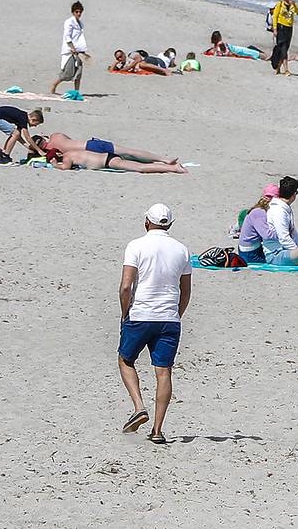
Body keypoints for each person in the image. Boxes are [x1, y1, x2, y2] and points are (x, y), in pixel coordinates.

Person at [119, 203, 192, 444]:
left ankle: (139, 406)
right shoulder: (182, 250)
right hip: (169, 318)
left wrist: (124, 312)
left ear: (146, 222)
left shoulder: (136, 245)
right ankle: (158, 430)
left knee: (126, 359)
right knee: (163, 372)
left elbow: (126, 286)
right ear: (170, 224)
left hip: (141, 314)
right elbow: (186, 291)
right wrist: (176, 314)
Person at [41, 130, 186, 173]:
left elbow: (65, 166)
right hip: (91, 144)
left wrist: (53, 163)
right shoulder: (56, 135)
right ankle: (164, 159)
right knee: (130, 152)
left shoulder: (62, 154)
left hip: (98, 157)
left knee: (136, 166)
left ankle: (169, 166)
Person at [51, 1, 89, 94]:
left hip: (80, 50)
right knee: (68, 73)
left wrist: (82, 51)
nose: (79, 14)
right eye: (77, 12)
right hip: (70, 50)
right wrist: (72, 47)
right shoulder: (69, 22)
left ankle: (76, 92)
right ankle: (54, 85)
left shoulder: (80, 23)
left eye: (80, 12)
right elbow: (67, 36)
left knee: (79, 73)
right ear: (73, 12)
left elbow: (79, 37)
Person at [236, 184, 279, 263]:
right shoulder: (260, 212)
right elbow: (267, 235)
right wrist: (283, 234)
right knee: (275, 260)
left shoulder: (259, 209)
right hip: (249, 253)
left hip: (250, 248)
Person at [269, 0, 298, 75]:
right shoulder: (280, 4)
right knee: (282, 48)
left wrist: (294, 5)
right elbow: (275, 17)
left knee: (285, 48)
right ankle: (286, 69)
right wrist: (275, 29)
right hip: (281, 27)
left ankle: (278, 68)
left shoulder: (293, 5)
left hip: (289, 28)